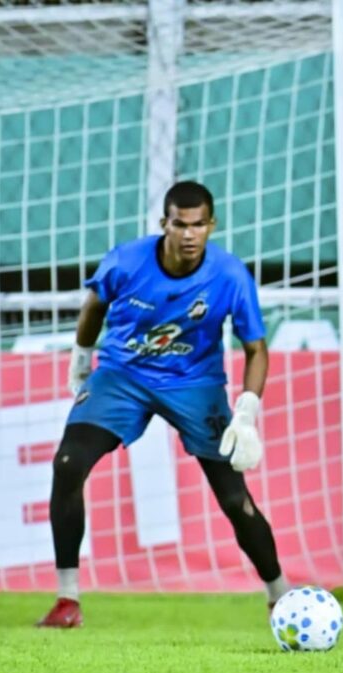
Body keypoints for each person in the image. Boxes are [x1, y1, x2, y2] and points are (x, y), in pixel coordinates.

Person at [36, 181, 288, 628]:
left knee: (234, 499)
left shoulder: (229, 275)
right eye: (180, 224)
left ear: (211, 225)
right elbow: (94, 305)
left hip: (195, 385)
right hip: (123, 376)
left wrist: (247, 413)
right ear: (164, 225)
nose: (189, 234)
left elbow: (256, 349)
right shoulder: (127, 261)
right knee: (67, 464)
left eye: (198, 225)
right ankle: (67, 599)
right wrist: (81, 359)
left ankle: (280, 595)